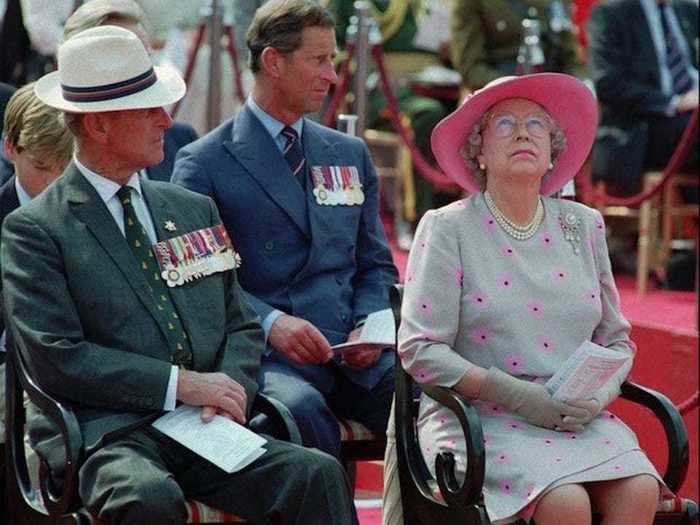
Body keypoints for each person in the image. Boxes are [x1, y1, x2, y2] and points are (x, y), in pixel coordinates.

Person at [0, 25, 358, 525]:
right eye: (148, 108)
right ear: (100, 125)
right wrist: (180, 384)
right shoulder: (36, 229)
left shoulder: (192, 210)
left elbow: (240, 323)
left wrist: (229, 392)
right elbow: (58, 358)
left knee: (315, 476)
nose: (167, 121)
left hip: (207, 425)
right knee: (147, 500)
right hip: (107, 433)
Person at [397, 73, 667, 524]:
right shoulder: (448, 228)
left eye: (537, 125)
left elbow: (617, 342)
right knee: (566, 504)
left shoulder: (584, 225)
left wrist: (597, 398)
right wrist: (520, 397)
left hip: (574, 417)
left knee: (639, 491)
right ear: (478, 152)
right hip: (484, 419)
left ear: (552, 152)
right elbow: (420, 350)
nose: (522, 132)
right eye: (504, 124)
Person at [173, 0, 398, 459]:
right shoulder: (205, 163)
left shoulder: (347, 153)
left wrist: (369, 325)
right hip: (269, 358)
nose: (332, 75)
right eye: (319, 59)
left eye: (333, 60)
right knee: (301, 413)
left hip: (352, 354)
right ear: (274, 61)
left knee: (425, 400)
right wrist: (272, 324)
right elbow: (197, 281)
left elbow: (376, 264)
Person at [0, 80, 72, 525]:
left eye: (67, 168)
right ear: (10, 149)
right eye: (42, 166)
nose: (54, 183)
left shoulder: (83, 212)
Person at [62, 0, 199, 183]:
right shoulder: (48, 156)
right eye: (125, 57)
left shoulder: (179, 141)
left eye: (145, 56)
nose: (166, 121)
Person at [587, 0, 698, 196]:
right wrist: (675, 103)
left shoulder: (688, 11)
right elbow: (609, 84)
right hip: (641, 128)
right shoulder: (611, 14)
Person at [450, 0, 585, 93]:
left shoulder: (554, 3)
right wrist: (518, 87)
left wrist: (580, 88)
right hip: (497, 94)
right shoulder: (472, 3)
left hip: (551, 88)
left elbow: (571, 57)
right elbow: (471, 70)